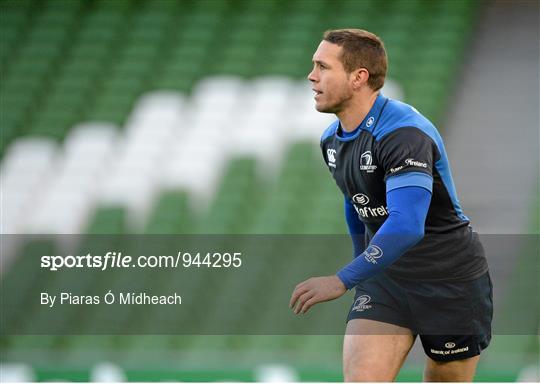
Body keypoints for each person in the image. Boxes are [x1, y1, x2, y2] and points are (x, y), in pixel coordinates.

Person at [289, 29, 493, 381]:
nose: (312, 76)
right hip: (387, 279)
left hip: (448, 278)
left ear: (358, 77)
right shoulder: (331, 140)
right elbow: (356, 202)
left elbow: (405, 225)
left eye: (322, 66)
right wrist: (364, 271)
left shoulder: (404, 134)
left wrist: (342, 280)